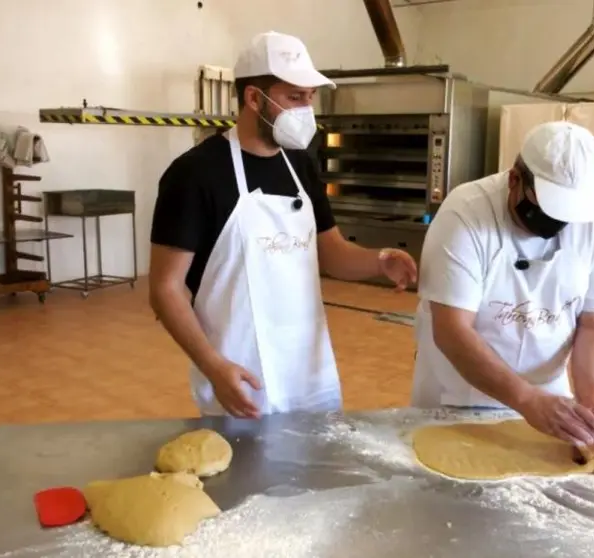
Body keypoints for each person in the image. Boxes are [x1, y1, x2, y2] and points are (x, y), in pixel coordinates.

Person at [149, 31, 418, 419]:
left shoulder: (300, 166)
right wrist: (212, 366)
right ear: (254, 98)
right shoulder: (195, 174)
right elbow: (165, 289)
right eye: (294, 97)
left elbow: (333, 253)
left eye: (310, 98)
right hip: (239, 377)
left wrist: (378, 261)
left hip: (309, 373)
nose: (306, 110)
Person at [410, 121, 594, 450]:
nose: (558, 224)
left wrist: (593, 399)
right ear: (514, 180)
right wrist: (525, 399)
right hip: (458, 397)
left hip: (550, 401)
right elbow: (452, 331)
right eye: (548, 209)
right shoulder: (465, 214)